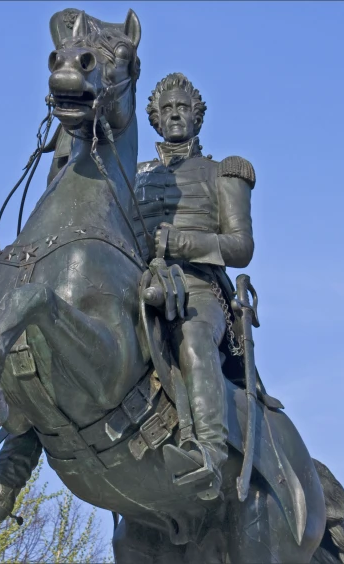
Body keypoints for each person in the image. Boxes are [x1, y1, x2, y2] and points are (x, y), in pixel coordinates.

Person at [134, 72, 256, 499]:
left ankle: (209, 451)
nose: (174, 116)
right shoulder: (133, 176)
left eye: (182, 108)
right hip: (140, 288)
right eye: (166, 109)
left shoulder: (223, 172)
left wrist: (180, 243)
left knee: (194, 338)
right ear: (153, 118)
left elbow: (241, 246)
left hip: (199, 291)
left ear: (197, 116)